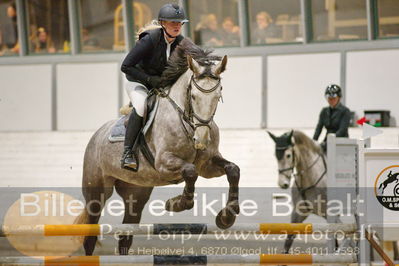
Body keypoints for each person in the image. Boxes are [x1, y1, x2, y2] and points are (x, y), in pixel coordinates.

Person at [120, 3, 187, 169]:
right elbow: (126, 66)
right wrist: (149, 79)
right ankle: (127, 152)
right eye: (173, 23)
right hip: (138, 82)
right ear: (163, 23)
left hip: (160, 85)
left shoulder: (181, 42)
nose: (177, 26)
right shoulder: (149, 40)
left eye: (179, 23)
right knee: (141, 106)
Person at [313, 84, 351, 152]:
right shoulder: (324, 111)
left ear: (339, 98)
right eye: (329, 98)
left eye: (333, 98)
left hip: (341, 142)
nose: (331, 100)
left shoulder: (345, 111)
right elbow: (319, 128)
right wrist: (313, 142)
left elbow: (342, 130)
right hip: (327, 141)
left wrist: (329, 141)